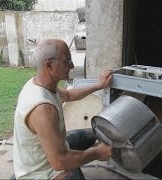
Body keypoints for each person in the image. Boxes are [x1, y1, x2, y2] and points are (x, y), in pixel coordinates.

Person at [13, 38, 113, 179]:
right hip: (41, 174)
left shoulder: (41, 85)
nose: (72, 66)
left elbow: (68, 94)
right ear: (49, 65)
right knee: (73, 172)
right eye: (67, 61)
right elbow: (59, 162)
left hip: (52, 152)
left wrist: (99, 85)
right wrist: (97, 153)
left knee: (94, 133)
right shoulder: (42, 108)